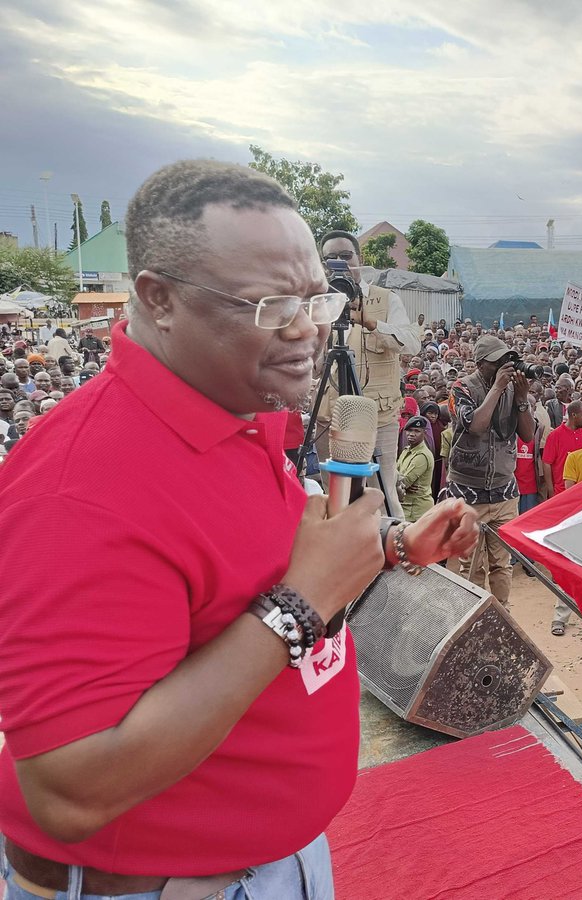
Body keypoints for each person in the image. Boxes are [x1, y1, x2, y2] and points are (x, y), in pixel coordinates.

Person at [0, 159, 479, 898]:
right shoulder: (77, 489)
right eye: (268, 307)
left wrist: (383, 550)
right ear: (159, 299)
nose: (305, 331)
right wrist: (299, 605)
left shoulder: (238, 413)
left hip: (266, 863)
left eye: (317, 301)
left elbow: (247, 579)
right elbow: (69, 792)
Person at [316, 229, 422, 517]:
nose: (339, 263)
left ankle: (387, 555)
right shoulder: (319, 302)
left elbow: (411, 342)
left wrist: (370, 322)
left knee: (382, 491)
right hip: (330, 416)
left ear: (359, 259)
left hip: (378, 415)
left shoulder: (386, 299)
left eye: (346, 256)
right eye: (331, 258)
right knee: (333, 492)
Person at [444, 333, 535, 607]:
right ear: (481, 363)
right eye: (497, 362)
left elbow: (528, 435)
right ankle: (473, 619)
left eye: (507, 360)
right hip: (468, 493)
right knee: (472, 567)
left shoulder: (511, 389)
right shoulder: (462, 388)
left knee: (501, 564)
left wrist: (520, 398)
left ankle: (502, 616)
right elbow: (476, 425)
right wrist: (496, 389)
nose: (504, 367)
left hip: (504, 492)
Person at [396, 415, 435, 522]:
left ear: (424, 433)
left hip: (416, 510)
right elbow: (395, 473)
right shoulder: (407, 450)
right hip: (407, 507)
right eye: (409, 430)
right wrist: (398, 480)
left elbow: (404, 483)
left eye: (417, 431)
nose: (412, 434)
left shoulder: (422, 455)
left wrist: (400, 481)